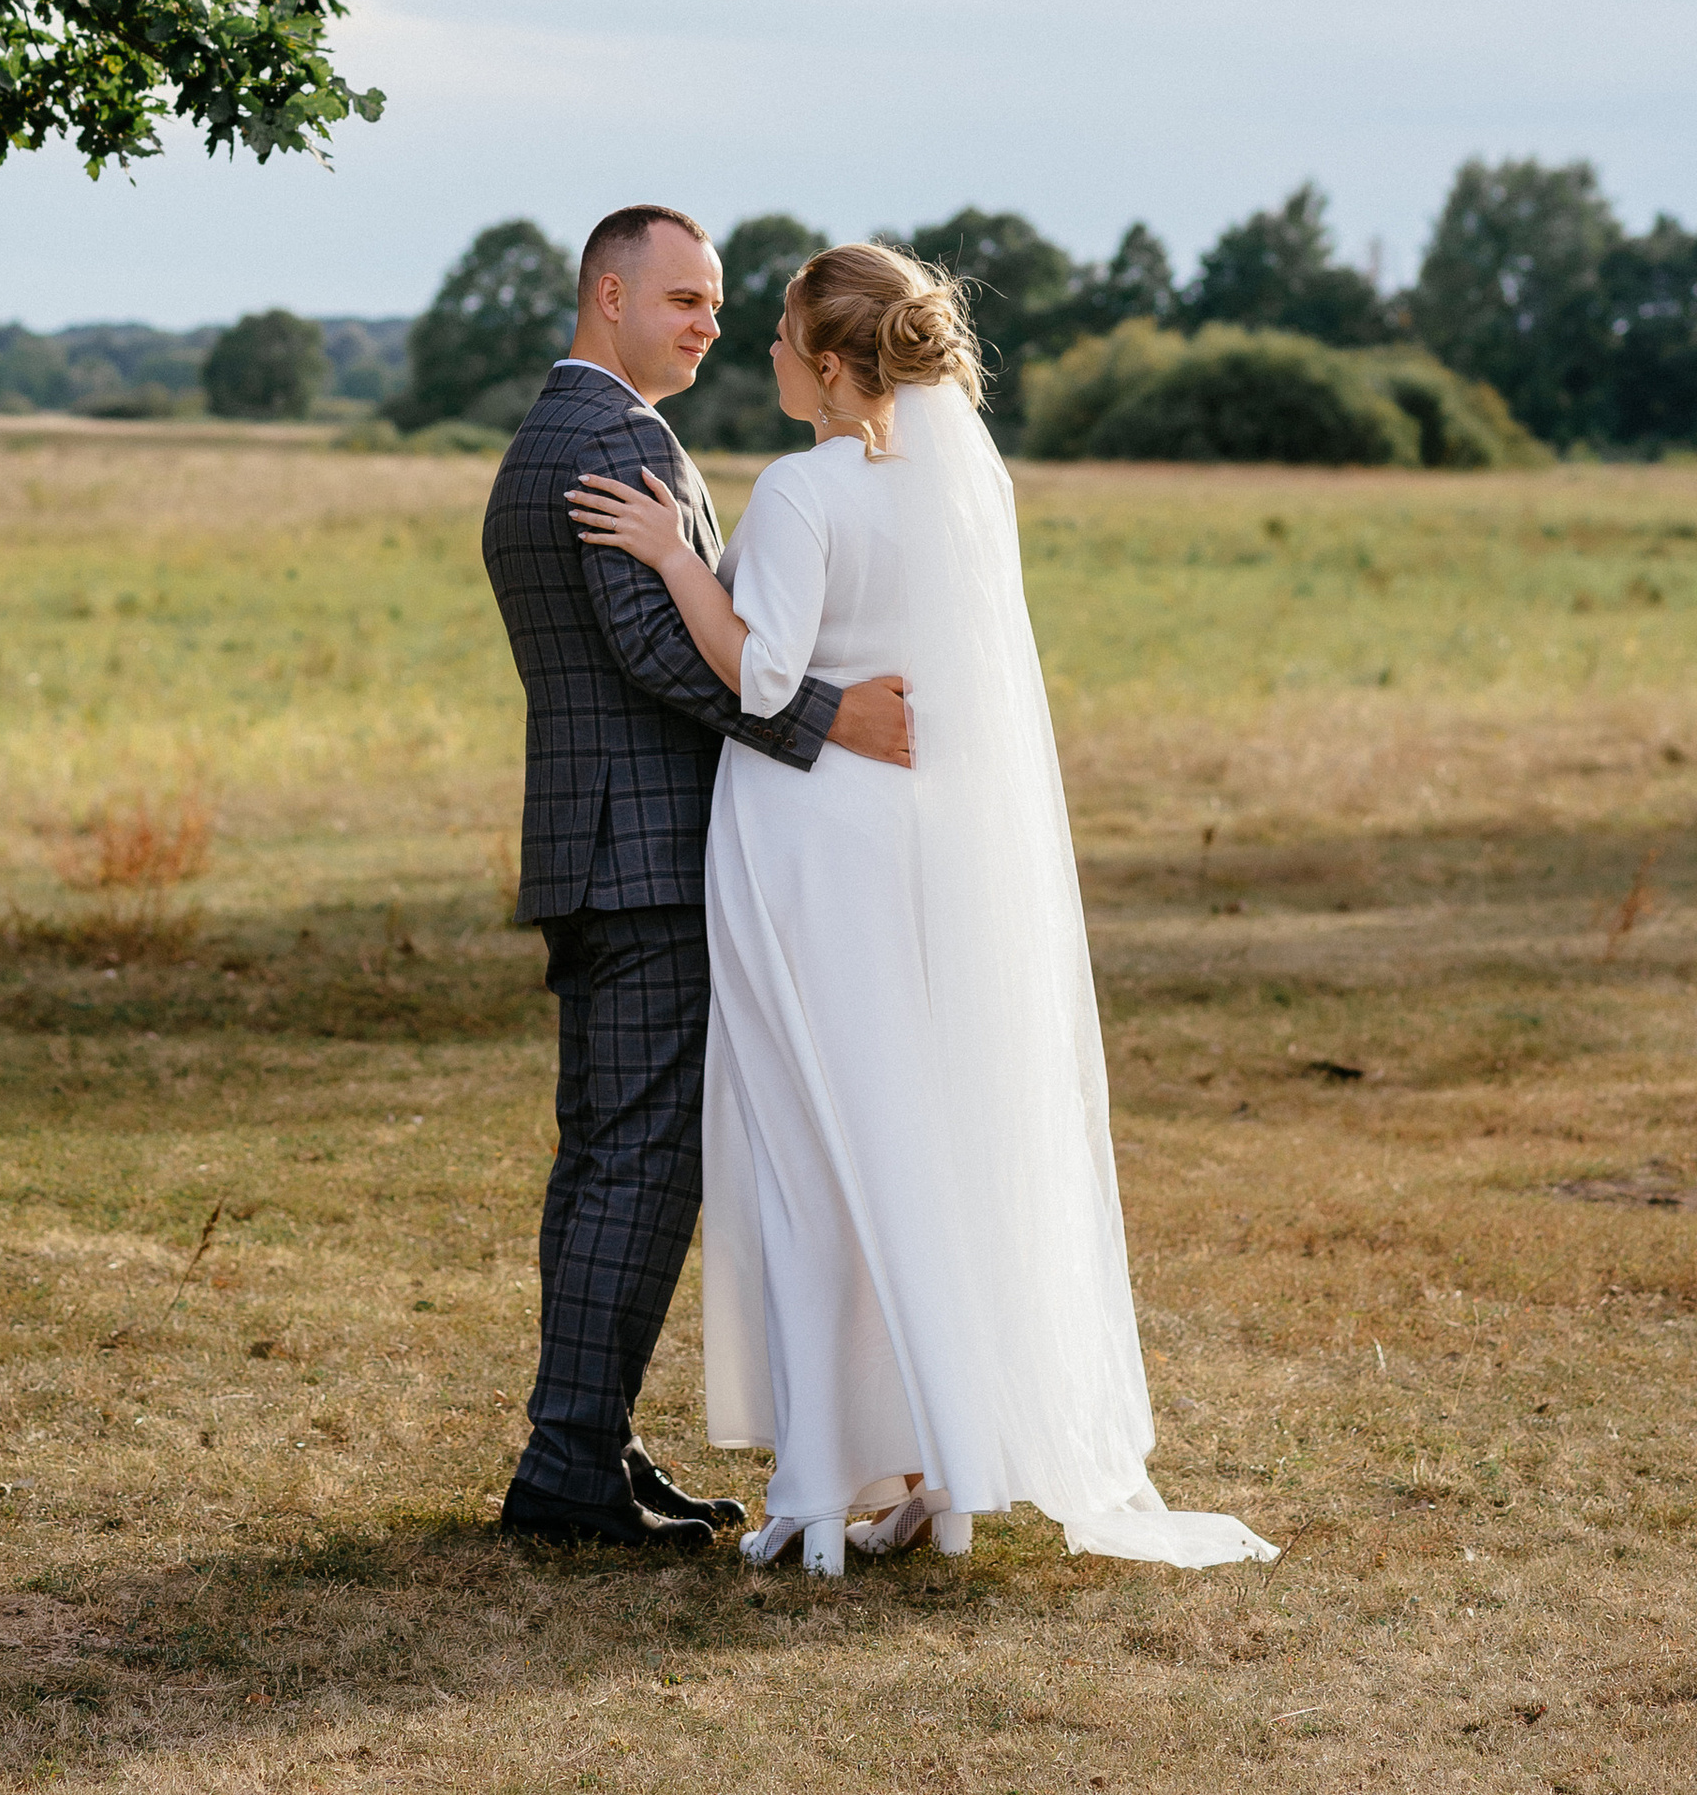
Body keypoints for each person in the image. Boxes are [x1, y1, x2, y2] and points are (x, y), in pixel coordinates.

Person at [566, 239, 1277, 1575]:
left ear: (833, 366)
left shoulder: (802, 490)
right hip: (906, 835)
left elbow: (766, 680)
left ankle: (834, 1463)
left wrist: (671, 554)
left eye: (780, 333)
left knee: (812, 1141)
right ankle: (924, 1452)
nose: (764, 350)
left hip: (803, 842)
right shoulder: (960, 490)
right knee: (906, 1127)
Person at [480, 204, 918, 1551]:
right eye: (683, 299)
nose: (710, 323)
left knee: (614, 1154)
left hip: (601, 845)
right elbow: (657, 657)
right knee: (640, 1160)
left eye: (720, 303)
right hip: (643, 855)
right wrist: (828, 716)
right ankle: (566, 1465)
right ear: (606, 294)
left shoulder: (558, 431)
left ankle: (588, 1441)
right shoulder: (611, 439)